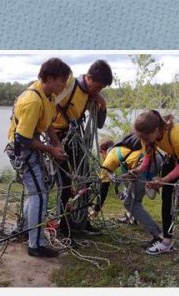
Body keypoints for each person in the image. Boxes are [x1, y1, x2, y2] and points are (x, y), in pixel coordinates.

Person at [5, 57, 72, 258]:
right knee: (40, 195)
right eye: (62, 81)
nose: (64, 86)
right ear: (50, 79)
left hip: (30, 147)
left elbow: (48, 124)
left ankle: (27, 230)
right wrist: (50, 150)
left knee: (36, 192)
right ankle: (35, 244)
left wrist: (57, 144)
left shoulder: (48, 95)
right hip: (22, 150)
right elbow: (23, 138)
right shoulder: (33, 100)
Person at [128, 111, 179, 264]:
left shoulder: (177, 134)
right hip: (174, 156)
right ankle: (167, 241)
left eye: (145, 137)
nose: (142, 140)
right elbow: (148, 156)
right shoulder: (146, 135)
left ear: (157, 130)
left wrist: (163, 179)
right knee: (166, 197)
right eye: (141, 137)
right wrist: (139, 170)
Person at [51, 59, 114, 241]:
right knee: (64, 186)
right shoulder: (69, 86)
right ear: (89, 77)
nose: (98, 90)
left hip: (75, 139)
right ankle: (62, 229)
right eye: (98, 86)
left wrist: (102, 104)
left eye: (102, 88)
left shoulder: (91, 96)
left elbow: (99, 124)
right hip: (57, 139)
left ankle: (81, 223)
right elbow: (48, 107)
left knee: (86, 180)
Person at [94, 135, 165, 241]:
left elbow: (103, 187)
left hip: (147, 163)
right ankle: (132, 217)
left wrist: (96, 210)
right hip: (156, 159)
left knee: (130, 203)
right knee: (132, 193)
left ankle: (158, 234)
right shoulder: (122, 149)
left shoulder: (110, 158)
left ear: (102, 151)